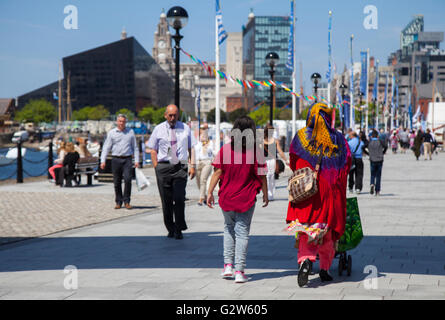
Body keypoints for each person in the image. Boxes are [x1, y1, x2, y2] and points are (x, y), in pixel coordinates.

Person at [286, 103, 351, 287]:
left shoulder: (300, 137)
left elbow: (293, 160)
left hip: (307, 190)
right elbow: (346, 163)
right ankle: (324, 268)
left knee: (307, 229)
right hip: (329, 192)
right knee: (327, 232)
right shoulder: (338, 139)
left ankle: (306, 260)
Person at [207, 116, 268, 283]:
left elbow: (217, 172)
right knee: (242, 232)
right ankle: (240, 271)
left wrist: (209, 192)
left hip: (226, 197)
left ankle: (228, 266)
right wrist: (266, 194)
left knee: (228, 228)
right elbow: (262, 176)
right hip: (247, 198)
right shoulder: (256, 151)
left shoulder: (225, 150)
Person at [146, 104, 196, 240]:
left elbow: (191, 148)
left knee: (179, 198)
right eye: (170, 115)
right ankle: (170, 227)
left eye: (175, 115)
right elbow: (153, 149)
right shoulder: (158, 129)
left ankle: (179, 228)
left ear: (178, 115)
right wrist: (156, 167)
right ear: (165, 115)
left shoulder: (185, 128)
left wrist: (193, 166)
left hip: (180, 166)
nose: (172, 118)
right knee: (166, 201)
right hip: (164, 167)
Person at [100, 114, 139, 209]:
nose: (121, 123)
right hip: (116, 159)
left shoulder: (130, 132)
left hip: (127, 159)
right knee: (117, 181)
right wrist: (103, 160)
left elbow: (135, 147)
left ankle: (127, 201)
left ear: (126, 122)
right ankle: (118, 201)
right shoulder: (112, 133)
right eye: (120, 121)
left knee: (128, 179)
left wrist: (137, 160)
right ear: (117, 122)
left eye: (123, 121)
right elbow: (106, 147)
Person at [263, 123, 288, 201]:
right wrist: (286, 160)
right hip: (272, 161)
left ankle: (267, 194)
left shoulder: (261, 140)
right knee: (271, 177)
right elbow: (280, 151)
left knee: (267, 177)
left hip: (264, 161)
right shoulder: (275, 140)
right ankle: (270, 194)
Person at [195, 126, 214, 206]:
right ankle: (205, 197)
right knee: (198, 181)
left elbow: (214, 152)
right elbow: (195, 152)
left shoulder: (211, 143)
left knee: (203, 180)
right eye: (202, 136)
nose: (203, 137)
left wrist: (207, 147)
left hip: (207, 162)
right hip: (198, 162)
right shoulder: (198, 143)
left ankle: (201, 199)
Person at [364, 130, 387, 196]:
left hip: (372, 159)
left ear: (371, 136)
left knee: (372, 174)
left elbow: (363, 147)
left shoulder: (369, 142)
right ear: (377, 136)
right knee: (378, 175)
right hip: (379, 159)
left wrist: (368, 153)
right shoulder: (380, 141)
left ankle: (372, 183)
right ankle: (377, 190)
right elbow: (386, 146)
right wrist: (383, 152)